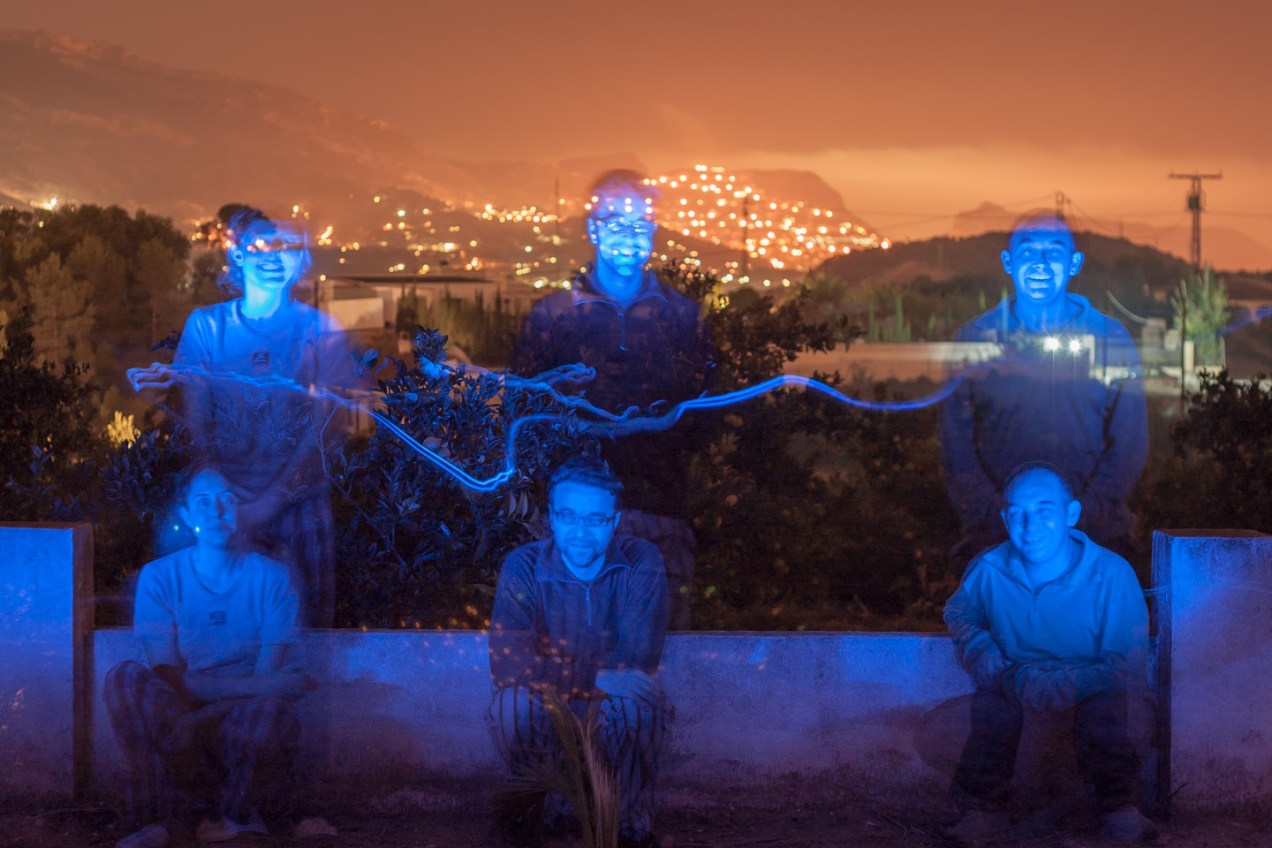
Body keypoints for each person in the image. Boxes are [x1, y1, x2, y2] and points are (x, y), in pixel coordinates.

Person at [134, 206, 357, 627]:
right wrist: (225, 501)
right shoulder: (206, 327)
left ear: (301, 259)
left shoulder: (321, 331)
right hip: (221, 505)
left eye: (287, 246)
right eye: (258, 246)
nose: (273, 256)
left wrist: (272, 501)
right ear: (237, 256)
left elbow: (327, 430)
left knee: (300, 635)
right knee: (207, 628)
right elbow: (194, 422)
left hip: (299, 508)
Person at [511, 171, 712, 628]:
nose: (629, 235)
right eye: (616, 223)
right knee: (570, 652)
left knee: (656, 654)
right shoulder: (554, 317)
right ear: (593, 228)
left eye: (640, 225)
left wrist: (661, 434)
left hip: (663, 512)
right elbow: (522, 412)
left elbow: (707, 412)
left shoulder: (682, 319)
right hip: (575, 520)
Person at [103, 465, 322, 848]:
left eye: (228, 500)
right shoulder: (160, 577)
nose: (216, 512)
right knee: (123, 678)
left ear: (241, 511)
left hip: (237, 729)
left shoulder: (272, 578)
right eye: (203, 502)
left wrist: (204, 713)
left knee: (271, 715)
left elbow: (263, 694)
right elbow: (168, 677)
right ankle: (155, 820)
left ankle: (235, 817)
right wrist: (266, 686)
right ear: (186, 515)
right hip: (178, 727)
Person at [943, 462, 1154, 845]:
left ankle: (1120, 809)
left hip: (1088, 686)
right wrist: (980, 646)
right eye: (1018, 513)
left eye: (1045, 510)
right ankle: (984, 811)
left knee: (1107, 710)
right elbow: (960, 611)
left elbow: (1125, 665)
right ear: (1005, 518)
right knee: (990, 708)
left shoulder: (1110, 574)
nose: (1030, 525)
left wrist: (1049, 685)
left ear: (1071, 514)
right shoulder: (989, 569)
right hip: (1015, 682)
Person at [941, 212, 1148, 561]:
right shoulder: (974, 338)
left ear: (1074, 263)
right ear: (1008, 262)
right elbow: (955, 442)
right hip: (997, 539)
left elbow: (1129, 442)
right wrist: (993, 515)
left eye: (1053, 252)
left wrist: (1085, 513)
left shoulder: (1111, 338)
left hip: (1096, 541)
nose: (1040, 264)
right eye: (1027, 252)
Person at [488, 458, 670, 848]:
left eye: (596, 520)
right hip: (550, 705)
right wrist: (593, 677)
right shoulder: (524, 566)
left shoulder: (641, 561)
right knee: (510, 703)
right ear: (551, 518)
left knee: (636, 700)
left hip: (611, 707)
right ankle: (540, 807)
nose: (581, 533)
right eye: (568, 516)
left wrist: (577, 677)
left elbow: (635, 661)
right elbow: (508, 662)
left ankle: (625, 816)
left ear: (615, 520)